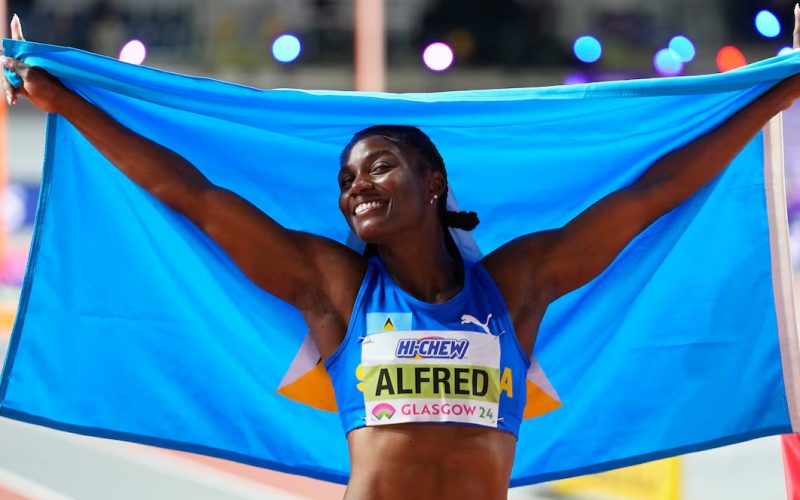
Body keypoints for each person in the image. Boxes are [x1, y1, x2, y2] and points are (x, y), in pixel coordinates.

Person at [4, 9, 800, 500]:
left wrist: (782, 91)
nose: (357, 188)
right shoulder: (336, 289)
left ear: (432, 179)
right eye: (346, 180)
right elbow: (196, 199)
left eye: (378, 166)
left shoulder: (515, 286)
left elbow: (649, 198)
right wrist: (65, 99)